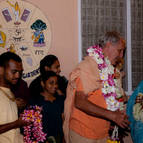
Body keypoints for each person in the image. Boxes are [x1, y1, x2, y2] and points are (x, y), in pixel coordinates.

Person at [63, 31, 130, 143]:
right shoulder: (88, 67)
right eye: (120, 50)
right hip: (83, 134)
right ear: (108, 46)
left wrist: (112, 118)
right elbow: (80, 102)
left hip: (102, 133)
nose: (121, 56)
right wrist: (112, 116)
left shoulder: (111, 70)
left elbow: (106, 99)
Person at [0, 52, 29, 143]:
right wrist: (16, 124)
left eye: (20, 72)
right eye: (14, 72)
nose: (18, 76)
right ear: (1, 70)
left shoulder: (9, 91)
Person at [30, 71, 64, 143]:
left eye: (56, 83)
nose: (55, 86)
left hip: (59, 138)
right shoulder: (36, 101)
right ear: (43, 83)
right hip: (42, 139)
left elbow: (63, 119)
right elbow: (32, 125)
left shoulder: (59, 99)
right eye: (51, 83)